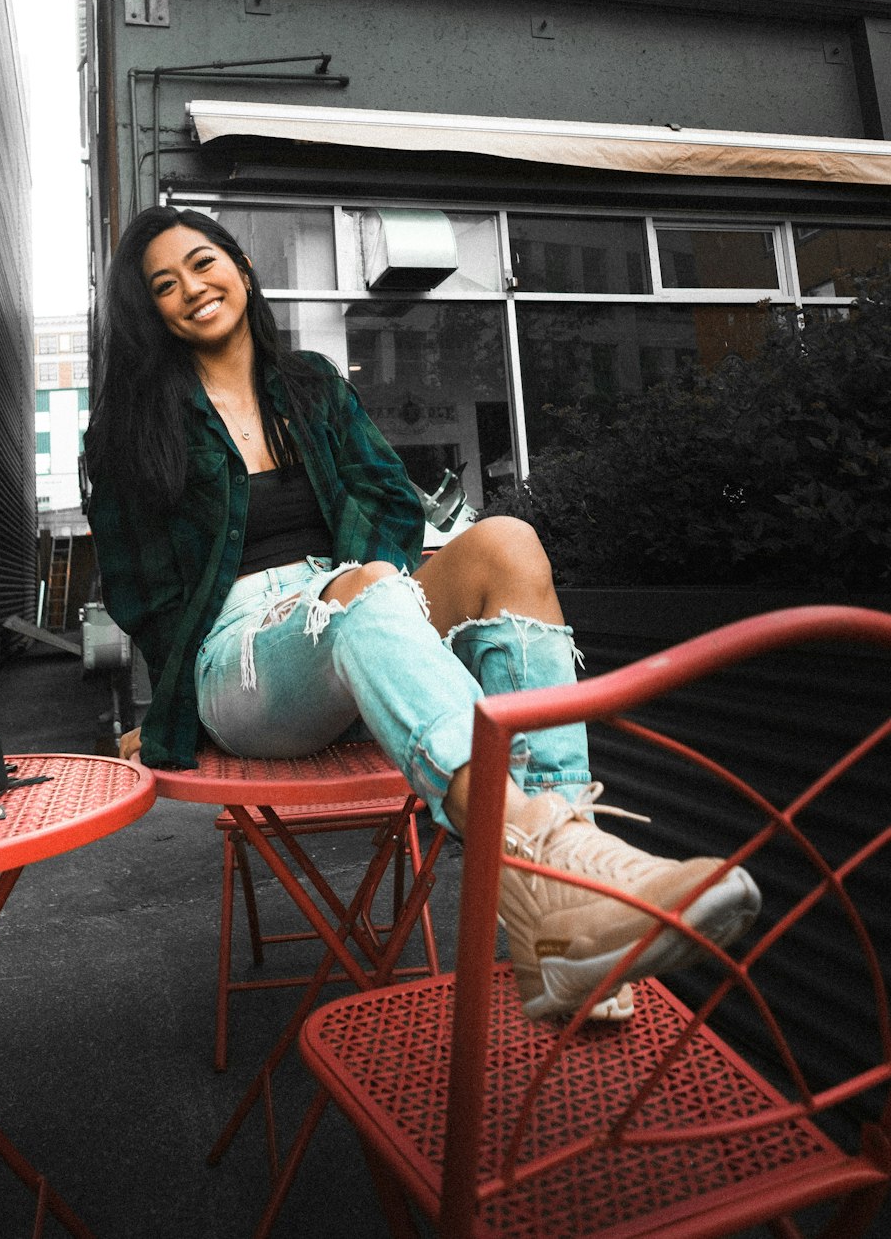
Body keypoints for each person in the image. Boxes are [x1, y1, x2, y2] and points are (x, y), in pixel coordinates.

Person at [85, 206, 760, 1021]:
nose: (192, 288)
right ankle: (564, 882)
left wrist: (355, 584)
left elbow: (387, 501)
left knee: (507, 542)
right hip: (242, 660)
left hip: (360, 615)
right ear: (151, 313)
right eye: (165, 285)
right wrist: (180, 706)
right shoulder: (134, 424)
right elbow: (141, 594)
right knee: (365, 589)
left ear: (241, 267)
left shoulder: (311, 387)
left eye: (203, 263)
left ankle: (554, 931)